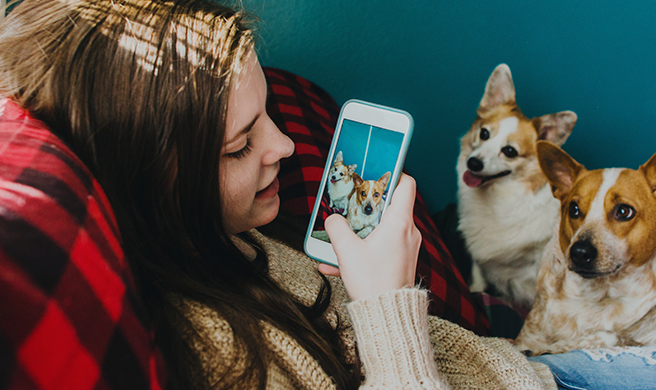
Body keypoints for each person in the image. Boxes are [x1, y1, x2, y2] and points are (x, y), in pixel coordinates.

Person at [0, 0, 555, 389]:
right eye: (241, 145)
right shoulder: (219, 356)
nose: (286, 145)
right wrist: (387, 307)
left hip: (527, 369)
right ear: (156, 189)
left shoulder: (242, 239)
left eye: (267, 111)